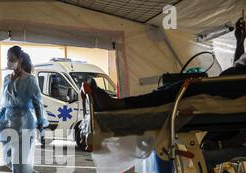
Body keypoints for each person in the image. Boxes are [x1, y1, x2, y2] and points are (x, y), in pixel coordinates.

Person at [91, 18, 246, 111]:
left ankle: (122, 105)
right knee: (174, 87)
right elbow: (239, 66)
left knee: (188, 86)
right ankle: (122, 104)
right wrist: (240, 40)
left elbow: (240, 74)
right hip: (230, 82)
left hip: (234, 86)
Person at [0, 46, 49, 173]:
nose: (9, 62)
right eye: (8, 58)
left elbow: (37, 103)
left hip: (25, 123)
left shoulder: (29, 80)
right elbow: (3, 103)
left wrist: (40, 123)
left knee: (18, 160)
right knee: (9, 160)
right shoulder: (6, 79)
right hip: (8, 122)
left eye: (12, 59)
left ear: (20, 60)